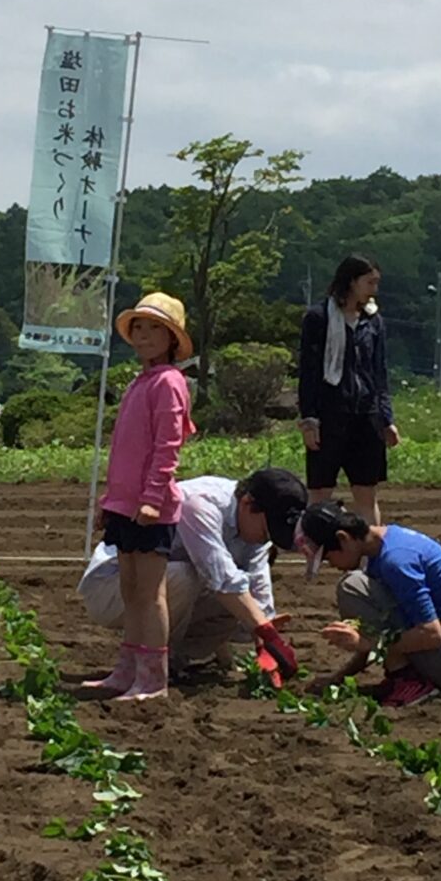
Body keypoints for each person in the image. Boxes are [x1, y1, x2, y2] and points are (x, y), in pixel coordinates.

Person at [78, 469, 305, 688]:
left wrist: (265, 644)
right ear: (247, 504)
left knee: (243, 604)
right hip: (113, 587)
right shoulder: (200, 504)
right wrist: (266, 633)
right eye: (265, 532)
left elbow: (257, 588)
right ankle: (148, 661)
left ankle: (176, 659)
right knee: (189, 578)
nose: (264, 540)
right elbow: (222, 578)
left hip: (160, 587)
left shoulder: (254, 528)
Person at [85, 292, 195, 702]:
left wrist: (152, 498)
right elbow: (125, 451)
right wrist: (109, 502)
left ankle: (153, 677)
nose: (144, 336)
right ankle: (127, 669)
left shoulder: (169, 383)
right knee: (130, 590)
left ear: (171, 339)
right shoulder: (140, 382)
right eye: (139, 328)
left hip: (152, 509)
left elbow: (168, 447)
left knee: (150, 593)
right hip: (125, 505)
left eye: (154, 329)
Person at [295, 500, 441, 707]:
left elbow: (431, 634)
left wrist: (368, 643)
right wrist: (339, 677)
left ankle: (410, 681)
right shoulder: (385, 543)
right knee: (357, 586)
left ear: (343, 538)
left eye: (328, 557)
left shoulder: (396, 561)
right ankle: (403, 675)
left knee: (352, 587)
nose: (332, 565)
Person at [298, 254, 400, 525]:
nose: (374, 290)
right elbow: (308, 372)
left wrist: (387, 419)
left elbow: (379, 373)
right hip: (329, 416)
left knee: (366, 493)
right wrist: (309, 419)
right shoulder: (318, 318)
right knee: (320, 492)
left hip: (366, 416)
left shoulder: (373, 321)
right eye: (370, 282)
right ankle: (311, 550)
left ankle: (371, 550)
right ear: (352, 282)